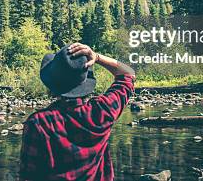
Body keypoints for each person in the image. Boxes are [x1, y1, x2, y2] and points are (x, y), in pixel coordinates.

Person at [19, 42, 136, 181]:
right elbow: (128, 73)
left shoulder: (39, 123)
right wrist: (97, 57)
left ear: (52, 85)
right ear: (84, 83)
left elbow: (29, 176)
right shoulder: (102, 111)